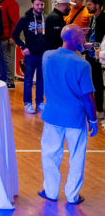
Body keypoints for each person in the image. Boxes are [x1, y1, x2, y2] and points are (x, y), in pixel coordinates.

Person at [39, 24, 97, 205]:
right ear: (73, 39)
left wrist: (79, 39)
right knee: (77, 156)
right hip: (75, 117)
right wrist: (93, 120)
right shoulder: (82, 64)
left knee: (50, 154)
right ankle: (72, 195)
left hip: (52, 115)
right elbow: (88, 97)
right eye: (81, 37)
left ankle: (50, 192)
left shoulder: (47, 56)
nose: (84, 40)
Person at [12, 0, 49, 114]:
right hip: (31, 54)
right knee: (28, 80)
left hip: (43, 54)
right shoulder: (25, 18)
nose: (40, 7)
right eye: (37, 4)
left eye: (42, 5)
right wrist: (23, 47)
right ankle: (27, 103)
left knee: (41, 80)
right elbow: (15, 34)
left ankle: (39, 102)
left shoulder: (46, 18)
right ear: (32, 5)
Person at [0, 0, 20, 89]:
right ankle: (2, 79)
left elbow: (15, 22)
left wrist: (12, 36)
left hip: (7, 37)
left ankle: (10, 82)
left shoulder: (11, 2)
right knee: (0, 59)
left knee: (8, 59)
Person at [83, 0, 105, 119]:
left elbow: (103, 41)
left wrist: (92, 45)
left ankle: (100, 110)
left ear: (97, 6)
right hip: (90, 55)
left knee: (98, 83)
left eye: (90, 5)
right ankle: (93, 107)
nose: (87, 7)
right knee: (91, 82)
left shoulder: (103, 19)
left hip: (99, 57)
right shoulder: (92, 18)